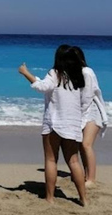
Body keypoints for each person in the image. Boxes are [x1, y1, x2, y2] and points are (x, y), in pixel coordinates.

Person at [18, 45, 89, 206]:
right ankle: (84, 199)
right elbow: (84, 102)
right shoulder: (78, 77)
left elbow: (42, 87)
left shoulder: (55, 74)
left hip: (54, 123)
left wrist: (25, 73)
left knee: (51, 160)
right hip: (72, 124)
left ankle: (50, 198)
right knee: (74, 162)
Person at [72, 46, 108, 188]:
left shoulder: (86, 72)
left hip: (92, 111)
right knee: (81, 146)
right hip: (83, 111)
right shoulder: (75, 73)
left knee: (86, 144)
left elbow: (87, 97)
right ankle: (86, 175)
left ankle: (91, 178)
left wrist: (77, 114)